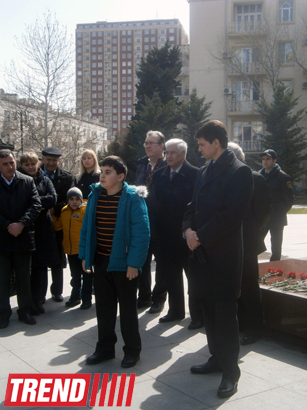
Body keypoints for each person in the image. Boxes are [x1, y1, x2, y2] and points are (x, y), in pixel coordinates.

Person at [182, 120, 253, 398]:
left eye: (201, 144)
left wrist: (200, 235)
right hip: (200, 253)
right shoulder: (203, 171)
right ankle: (215, 358)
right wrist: (187, 229)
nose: (198, 149)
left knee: (224, 316)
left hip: (222, 255)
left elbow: (232, 215)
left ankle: (230, 373)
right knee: (208, 313)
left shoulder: (240, 171)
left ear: (216, 143)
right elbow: (192, 206)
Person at [79, 156, 150, 368]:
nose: (102, 174)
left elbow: (141, 233)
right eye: (102, 170)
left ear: (120, 176)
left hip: (123, 264)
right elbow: (87, 229)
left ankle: (132, 351)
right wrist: (86, 256)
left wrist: (133, 264)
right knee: (103, 308)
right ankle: (105, 348)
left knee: (128, 310)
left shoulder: (133, 198)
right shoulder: (95, 195)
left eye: (108, 171)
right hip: (101, 262)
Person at [148, 138, 203, 329]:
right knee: (171, 276)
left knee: (193, 278)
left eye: (172, 153)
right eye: (167, 152)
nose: (168, 156)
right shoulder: (159, 175)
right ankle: (175, 311)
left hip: (187, 234)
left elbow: (198, 207)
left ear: (183, 154)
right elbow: (154, 204)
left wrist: (192, 231)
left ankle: (198, 315)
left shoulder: (196, 174)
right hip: (165, 235)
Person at [228, 142, 271, 345]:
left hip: (248, 242)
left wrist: (255, 233)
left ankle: (254, 328)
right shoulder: (225, 177)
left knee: (249, 285)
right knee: (232, 286)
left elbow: (264, 213)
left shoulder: (256, 178)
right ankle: (240, 323)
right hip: (227, 242)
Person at [0, 149, 41, 329]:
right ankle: (3, 313)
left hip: (23, 237)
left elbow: (35, 204)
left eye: (12, 162)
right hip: (2, 239)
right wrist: (8, 225)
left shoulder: (27, 181)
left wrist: (21, 224)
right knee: (2, 279)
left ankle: (24, 311)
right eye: (5, 164)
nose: (10, 167)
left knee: (24, 278)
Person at [18, 152, 60, 315]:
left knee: (41, 266)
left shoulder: (45, 179)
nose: (30, 167)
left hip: (43, 228)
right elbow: (19, 201)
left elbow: (53, 199)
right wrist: (39, 202)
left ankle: (38, 299)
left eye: (32, 164)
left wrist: (32, 202)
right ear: (21, 165)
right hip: (26, 227)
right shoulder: (19, 180)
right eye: (26, 164)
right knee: (27, 267)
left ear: (38, 164)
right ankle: (27, 302)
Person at [135, 130, 167, 312]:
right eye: (146, 143)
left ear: (161, 146)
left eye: (151, 143)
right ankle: (144, 297)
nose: (147, 146)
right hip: (142, 221)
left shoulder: (167, 165)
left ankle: (158, 299)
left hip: (161, 222)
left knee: (161, 264)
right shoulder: (141, 165)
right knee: (142, 261)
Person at [40, 147, 74, 302]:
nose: (51, 163)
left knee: (58, 258)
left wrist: (55, 208)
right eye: (48, 160)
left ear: (58, 161)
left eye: (54, 160)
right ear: (43, 159)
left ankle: (57, 291)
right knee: (39, 260)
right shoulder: (34, 174)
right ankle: (39, 294)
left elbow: (70, 199)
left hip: (58, 221)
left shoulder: (66, 178)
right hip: (39, 222)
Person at [58, 187, 91, 309]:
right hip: (70, 250)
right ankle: (75, 296)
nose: (74, 202)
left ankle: (86, 299)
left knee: (87, 276)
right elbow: (59, 226)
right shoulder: (64, 211)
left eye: (77, 199)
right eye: (71, 199)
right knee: (75, 275)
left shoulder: (85, 211)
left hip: (83, 250)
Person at [259, 149, 294, 261]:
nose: (265, 161)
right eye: (263, 159)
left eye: (268, 159)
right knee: (255, 242)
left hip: (276, 218)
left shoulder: (283, 177)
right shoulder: (259, 176)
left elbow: (289, 201)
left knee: (276, 246)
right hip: (261, 217)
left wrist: (276, 211)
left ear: (274, 160)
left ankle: (274, 269)